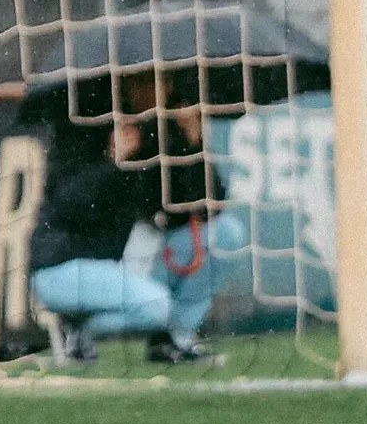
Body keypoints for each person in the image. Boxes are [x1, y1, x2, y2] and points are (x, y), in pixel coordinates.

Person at [27, 91, 233, 366]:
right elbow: (69, 207)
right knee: (158, 305)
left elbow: (203, 209)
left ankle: (174, 341)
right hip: (61, 268)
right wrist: (113, 163)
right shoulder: (80, 127)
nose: (159, 87)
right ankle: (76, 329)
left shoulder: (153, 135)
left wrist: (194, 143)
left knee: (226, 233)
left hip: (117, 266)